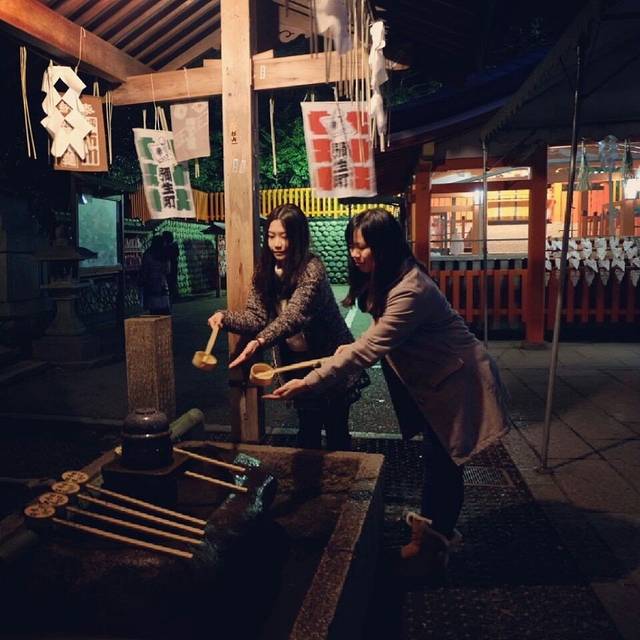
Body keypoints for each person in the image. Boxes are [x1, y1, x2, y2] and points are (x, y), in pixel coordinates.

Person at [265, 208, 510, 574]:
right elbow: (369, 341)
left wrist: (310, 379)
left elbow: (369, 348)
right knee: (439, 461)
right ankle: (431, 541)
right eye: (352, 246)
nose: (355, 254)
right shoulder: (390, 278)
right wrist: (342, 353)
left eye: (363, 246)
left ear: (385, 246)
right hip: (438, 381)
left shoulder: (411, 289)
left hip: (459, 382)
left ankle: (430, 548)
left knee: (444, 463)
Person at [208, 203, 367, 450]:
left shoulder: (312, 268)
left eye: (284, 236)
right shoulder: (266, 270)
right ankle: (308, 475)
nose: (277, 244)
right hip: (296, 361)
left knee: (336, 429)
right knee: (307, 429)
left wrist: (259, 341)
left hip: (330, 357)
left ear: (298, 237)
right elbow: (256, 316)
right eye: (272, 236)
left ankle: (343, 473)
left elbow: (294, 316)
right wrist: (224, 317)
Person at [139, 235, 171, 315]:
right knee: (165, 311)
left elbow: (144, 270)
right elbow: (168, 270)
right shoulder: (165, 255)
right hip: (163, 285)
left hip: (151, 284)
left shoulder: (148, 254)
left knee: (154, 312)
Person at [162, 231, 180, 298]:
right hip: (173, 264)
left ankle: (173, 294)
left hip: (170, 265)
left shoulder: (168, 246)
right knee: (173, 280)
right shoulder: (174, 245)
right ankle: (174, 294)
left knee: (170, 280)